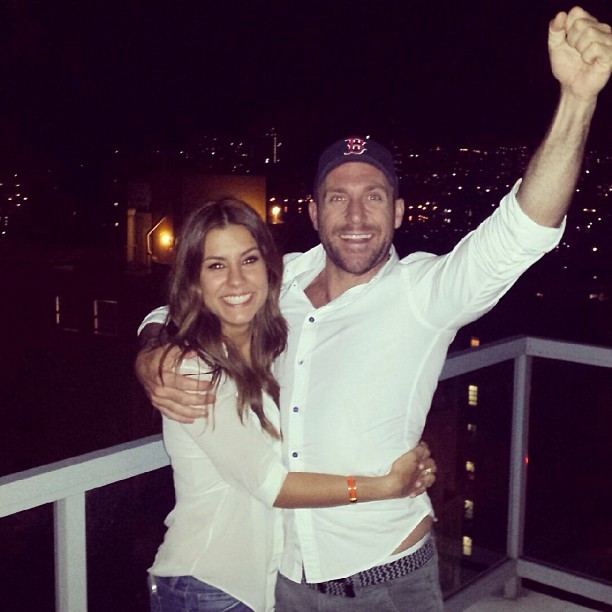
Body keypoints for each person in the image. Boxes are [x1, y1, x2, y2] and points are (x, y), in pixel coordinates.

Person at [137, 7, 612, 611]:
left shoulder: (423, 292)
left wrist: (577, 100)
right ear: (314, 212)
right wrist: (152, 347)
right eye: (338, 198)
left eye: (374, 197)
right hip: (285, 584)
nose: (356, 216)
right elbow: (187, 304)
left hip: (389, 582)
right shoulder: (278, 281)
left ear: (399, 211)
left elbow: (522, 228)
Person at [146, 198, 437, 612]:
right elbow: (273, 485)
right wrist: (386, 486)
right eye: (216, 266)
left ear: (269, 268)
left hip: (255, 585)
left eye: (249, 260)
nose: (236, 280)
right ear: (194, 280)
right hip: (208, 586)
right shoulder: (195, 370)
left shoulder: (266, 347)